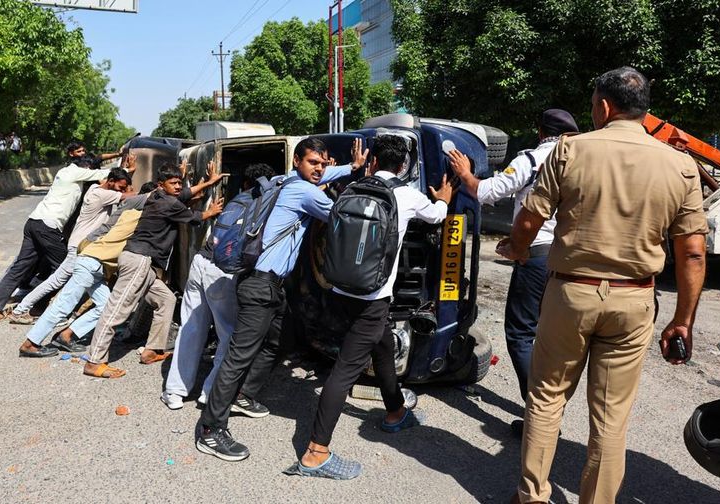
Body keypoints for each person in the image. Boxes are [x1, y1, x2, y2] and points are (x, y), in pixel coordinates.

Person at [497, 67, 708, 503]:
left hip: (571, 292)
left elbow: (530, 220)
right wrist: (683, 320)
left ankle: (533, 496)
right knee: (611, 418)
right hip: (635, 299)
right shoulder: (680, 164)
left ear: (605, 106)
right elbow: (691, 252)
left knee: (546, 398)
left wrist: (516, 250)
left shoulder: (570, 151)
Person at [286, 135, 451, 479]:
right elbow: (436, 217)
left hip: (340, 292)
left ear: (373, 162)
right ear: (403, 166)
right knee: (345, 371)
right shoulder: (407, 195)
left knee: (383, 345)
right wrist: (445, 200)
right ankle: (316, 452)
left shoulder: (351, 189)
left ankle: (395, 411)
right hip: (373, 300)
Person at [195, 137, 368, 462]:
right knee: (239, 356)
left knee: (282, 338)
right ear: (297, 162)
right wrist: (360, 185)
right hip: (260, 286)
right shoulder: (304, 191)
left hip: (268, 285)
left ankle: (244, 395)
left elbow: (323, 177)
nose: (320, 169)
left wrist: (350, 168)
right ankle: (210, 429)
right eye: (313, 163)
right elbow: (342, 217)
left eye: (323, 163)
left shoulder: (285, 181)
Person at [449, 109, 579, 435]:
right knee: (551, 335)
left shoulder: (533, 160)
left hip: (537, 259)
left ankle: (541, 418)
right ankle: (551, 404)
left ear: (540, 132)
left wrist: (465, 174)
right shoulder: (585, 163)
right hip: (572, 260)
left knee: (522, 334)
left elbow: (487, 191)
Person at [82, 163, 224, 378]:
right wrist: (211, 211)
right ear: (161, 185)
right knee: (117, 309)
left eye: (179, 183)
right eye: (173, 183)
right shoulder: (168, 204)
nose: (178, 187)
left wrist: (208, 182)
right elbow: (194, 218)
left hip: (143, 262)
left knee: (166, 299)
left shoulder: (155, 196)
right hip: (138, 260)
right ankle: (94, 361)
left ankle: (152, 350)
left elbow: (186, 193)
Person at [162, 163, 277, 410]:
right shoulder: (266, 204)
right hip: (222, 273)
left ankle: (174, 392)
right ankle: (209, 393)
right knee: (229, 335)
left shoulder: (236, 200)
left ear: (246, 183)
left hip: (200, 261)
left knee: (191, 328)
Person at [0, 143, 130, 321]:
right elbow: (103, 174)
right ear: (85, 166)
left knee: (21, 266)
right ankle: (36, 308)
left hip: (34, 221)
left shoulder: (63, 172)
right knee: (63, 269)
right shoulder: (76, 171)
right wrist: (128, 168)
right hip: (48, 226)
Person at [17, 182, 157, 358]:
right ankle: (30, 343)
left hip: (97, 266)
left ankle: (66, 336)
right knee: (63, 305)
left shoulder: (135, 216)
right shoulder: (133, 213)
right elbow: (151, 197)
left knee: (106, 307)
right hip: (91, 263)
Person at [7, 162, 135, 324]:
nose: (121, 190)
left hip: (84, 246)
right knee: (58, 280)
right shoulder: (101, 194)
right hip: (80, 246)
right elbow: (131, 197)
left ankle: (57, 314)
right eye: (120, 187)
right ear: (110, 182)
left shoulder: (96, 189)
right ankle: (22, 310)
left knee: (81, 281)